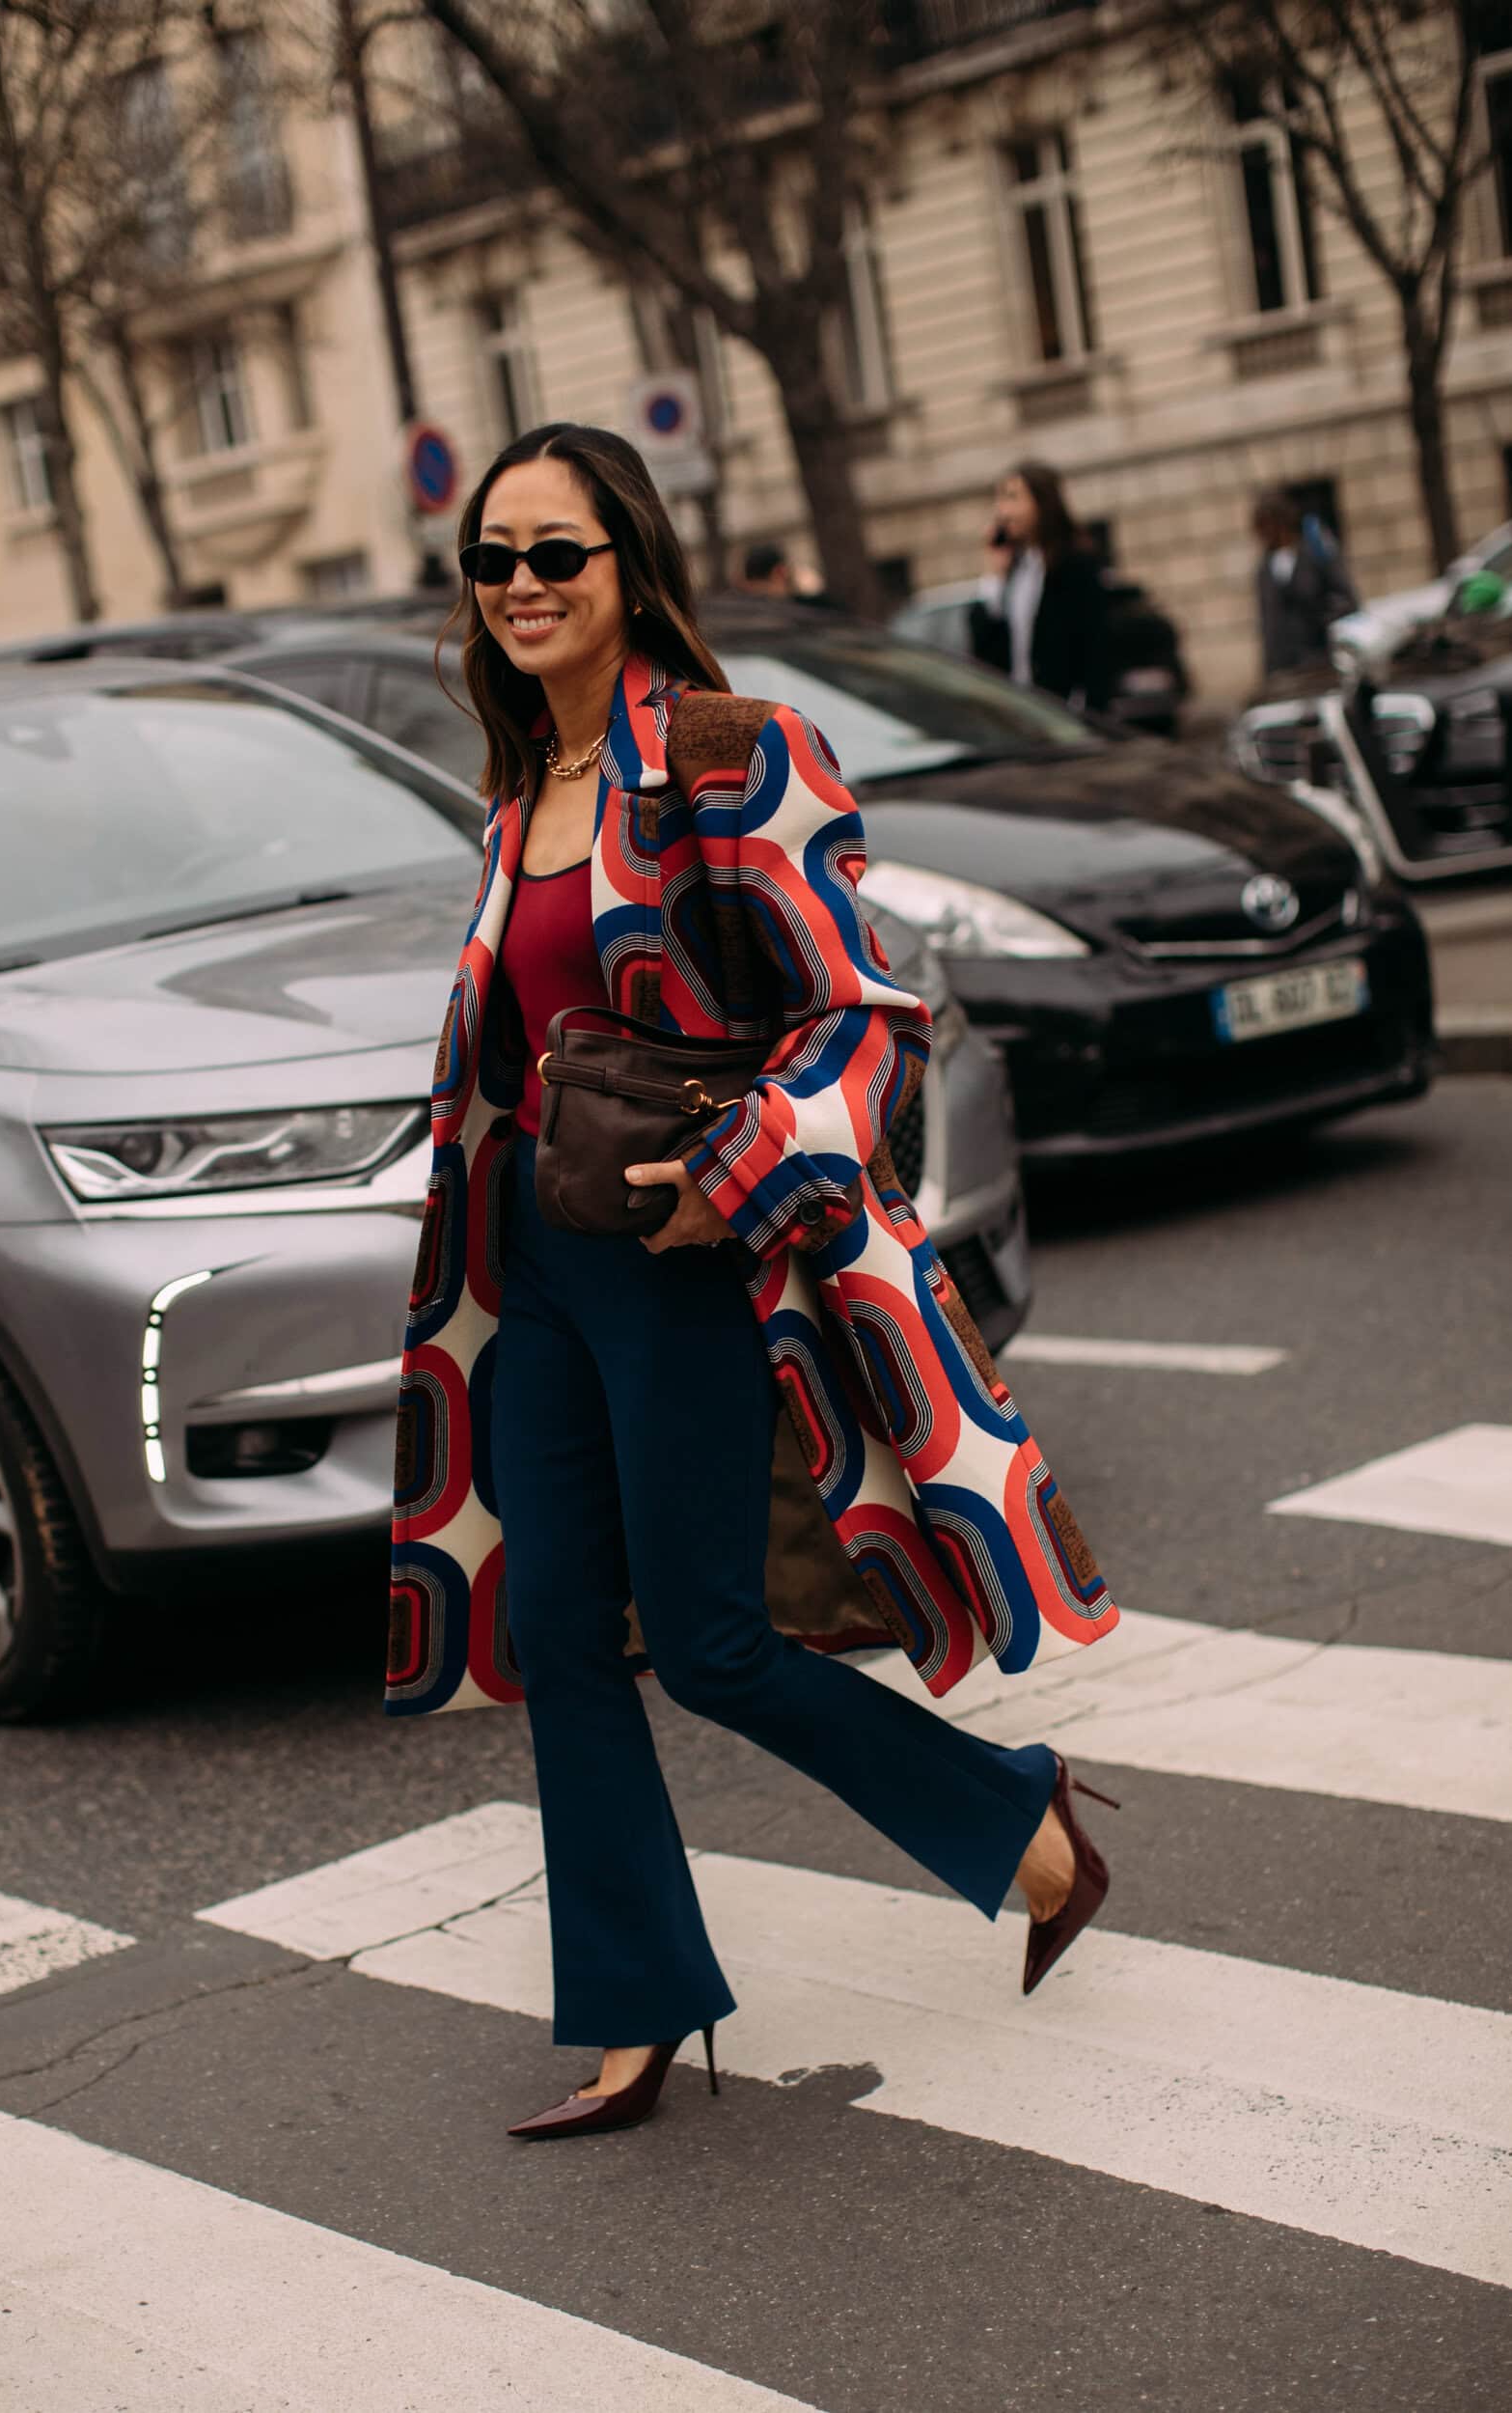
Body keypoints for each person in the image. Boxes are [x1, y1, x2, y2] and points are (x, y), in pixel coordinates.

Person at [387, 421, 1122, 2142]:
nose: (518, 587)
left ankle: (1021, 1826)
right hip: (539, 1281)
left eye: (553, 554)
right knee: (560, 1637)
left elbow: (867, 1017)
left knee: (710, 1644)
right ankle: (633, 2008)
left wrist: (736, 1180)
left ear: (627, 565)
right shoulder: (519, 795)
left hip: (683, 1269)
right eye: (492, 560)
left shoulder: (731, 755)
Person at [967, 459, 1112, 712]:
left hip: (1065, 713)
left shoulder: (1075, 564)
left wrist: (1089, 710)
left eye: (1013, 498)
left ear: (1042, 503)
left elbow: (1095, 646)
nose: (1003, 511)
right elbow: (987, 653)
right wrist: (996, 575)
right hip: (1024, 714)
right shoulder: (1015, 570)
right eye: (1000, 499)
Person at [1252, 486, 1360, 677]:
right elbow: (1268, 623)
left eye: (1267, 526)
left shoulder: (1316, 553)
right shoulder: (1265, 569)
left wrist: (1321, 623)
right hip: (1285, 668)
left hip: (1322, 660)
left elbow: (1347, 600)